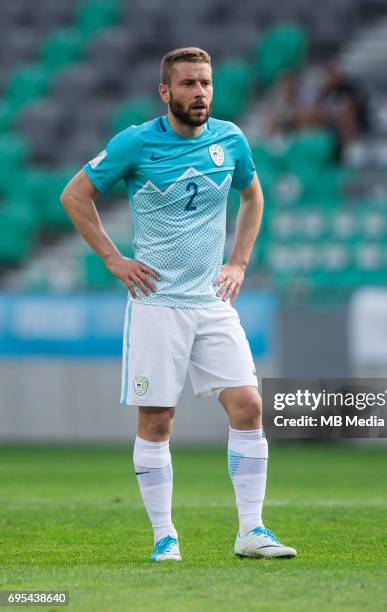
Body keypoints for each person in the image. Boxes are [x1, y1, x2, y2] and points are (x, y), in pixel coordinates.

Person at [60, 47, 296, 561]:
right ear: (165, 91)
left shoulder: (230, 139)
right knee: (158, 420)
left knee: (250, 406)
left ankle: (252, 531)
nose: (200, 93)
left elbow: (253, 197)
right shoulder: (137, 142)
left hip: (212, 301)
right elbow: (74, 195)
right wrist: (113, 259)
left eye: (206, 83)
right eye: (188, 84)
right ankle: (165, 536)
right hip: (157, 303)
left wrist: (237, 263)